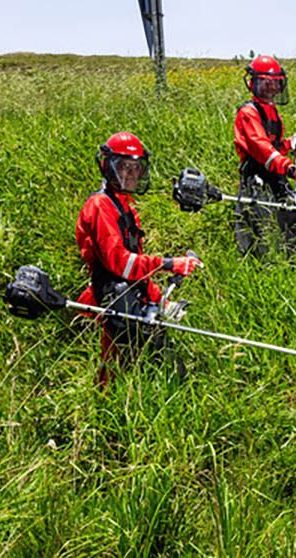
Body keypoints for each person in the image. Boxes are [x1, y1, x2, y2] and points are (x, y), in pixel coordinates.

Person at [75, 131, 203, 387]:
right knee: (118, 368)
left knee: (133, 363)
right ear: (108, 166)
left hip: (129, 292)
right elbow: (120, 264)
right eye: (124, 167)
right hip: (113, 295)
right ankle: (107, 407)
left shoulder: (127, 208)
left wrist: (159, 300)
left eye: (136, 169)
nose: (131, 175)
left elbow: (136, 267)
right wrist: (169, 264)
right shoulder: (101, 206)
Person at [233, 55, 296, 259]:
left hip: (275, 176)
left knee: (292, 226)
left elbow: (274, 147)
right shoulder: (248, 112)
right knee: (257, 234)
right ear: (253, 83)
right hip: (255, 179)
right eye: (265, 83)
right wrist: (291, 169)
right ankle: (254, 272)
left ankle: (295, 266)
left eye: (275, 83)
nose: (271, 88)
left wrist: (290, 143)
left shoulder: (272, 112)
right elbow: (261, 148)